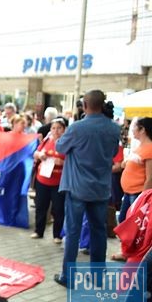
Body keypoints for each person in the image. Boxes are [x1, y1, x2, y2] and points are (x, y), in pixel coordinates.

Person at [53, 90, 121, 287]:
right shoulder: (113, 128)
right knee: (98, 231)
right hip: (100, 188)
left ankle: (68, 276)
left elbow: (60, 147)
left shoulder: (78, 128)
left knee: (73, 232)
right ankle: (98, 276)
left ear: (84, 105)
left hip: (77, 188)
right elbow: (112, 152)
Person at [31, 118, 66, 242]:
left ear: (64, 129)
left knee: (58, 209)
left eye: (59, 128)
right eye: (53, 128)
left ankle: (57, 235)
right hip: (43, 178)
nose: (56, 131)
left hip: (58, 181)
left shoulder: (66, 143)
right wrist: (40, 155)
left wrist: (62, 161)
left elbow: (72, 161)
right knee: (40, 206)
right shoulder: (46, 140)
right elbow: (36, 152)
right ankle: (38, 231)